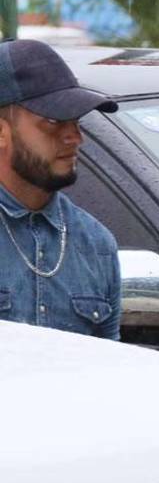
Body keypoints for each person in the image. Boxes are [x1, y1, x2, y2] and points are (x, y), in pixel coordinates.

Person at [0, 39, 121, 340]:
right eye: (53, 121)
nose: (74, 137)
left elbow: (109, 370)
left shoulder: (96, 244)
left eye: (77, 120)